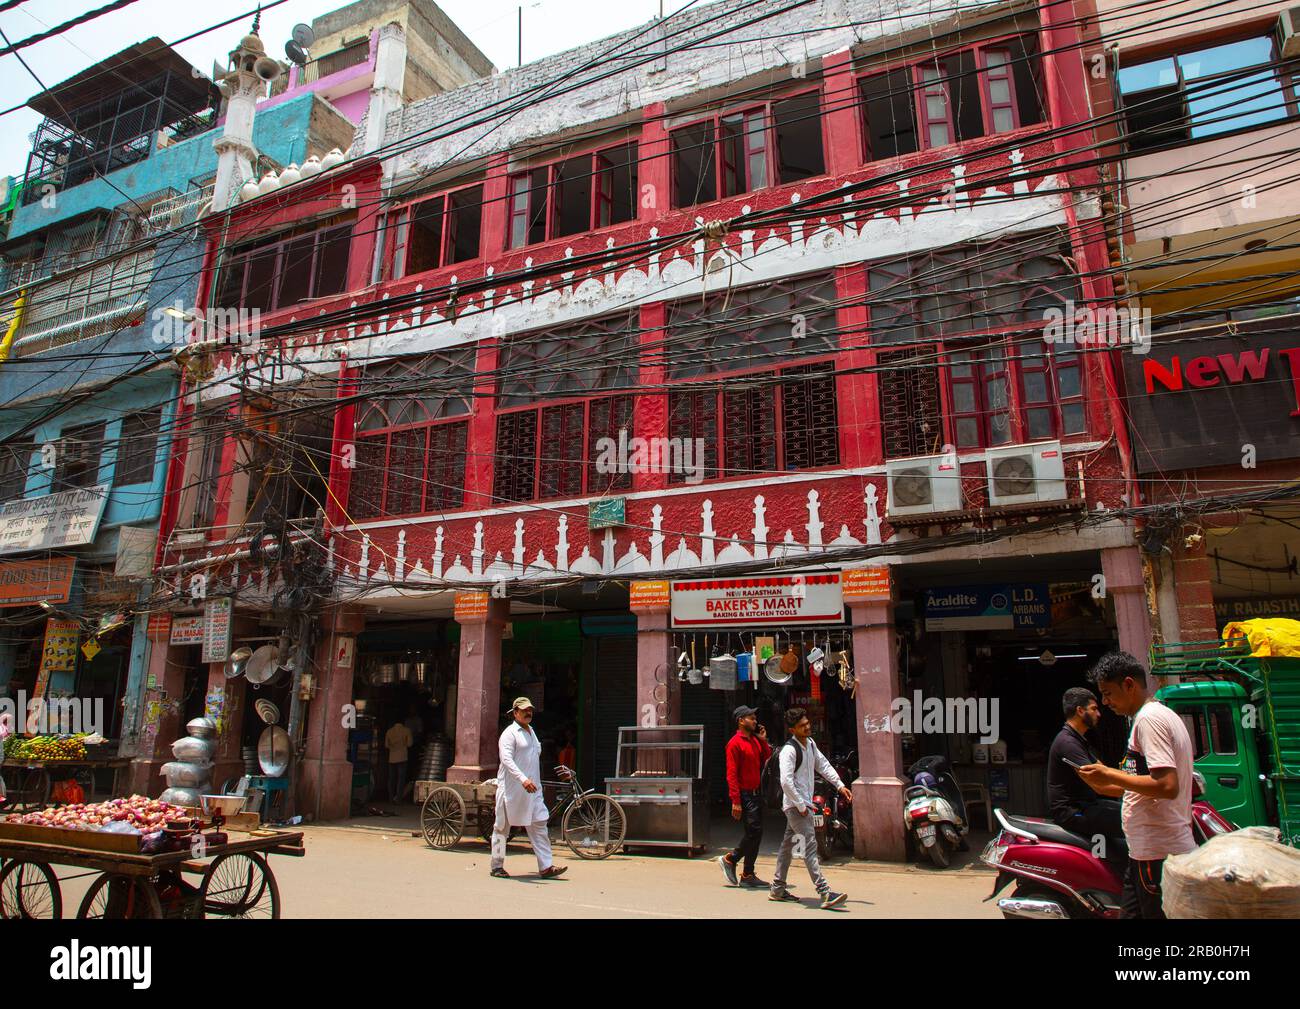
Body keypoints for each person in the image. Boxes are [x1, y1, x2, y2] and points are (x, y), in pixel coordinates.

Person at [1077, 651, 1196, 919]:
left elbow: (1166, 785)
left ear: (1129, 684)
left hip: (1158, 852)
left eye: (1108, 693)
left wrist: (1109, 773)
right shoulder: (1152, 716)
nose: (1105, 702)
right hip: (1145, 852)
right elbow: (1143, 784)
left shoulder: (1149, 720)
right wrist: (1103, 785)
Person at [770, 707, 851, 909]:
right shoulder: (789, 751)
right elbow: (786, 782)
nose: (807, 728)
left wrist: (840, 785)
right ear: (792, 730)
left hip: (802, 805)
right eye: (802, 726)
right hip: (796, 807)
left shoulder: (811, 745)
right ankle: (824, 892)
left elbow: (823, 765)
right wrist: (800, 804)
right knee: (809, 847)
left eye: (807, 724)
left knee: (787, 847)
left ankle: (777, 888)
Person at [490, 697, 568, 880]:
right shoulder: (509, 734)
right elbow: (506, 760)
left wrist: (531, 781)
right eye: (524, 710)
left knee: (539, 824)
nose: (528, 713)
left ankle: (546, 866)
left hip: (533, 789)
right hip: (512, 790)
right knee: (501, 828)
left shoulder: (531, 731)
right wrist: (523, 779)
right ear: (515, 712)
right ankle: (496, 866)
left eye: (530, 710)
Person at [1048, 687, 1125, 864]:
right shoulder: (1068, 743)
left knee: (1126, 811)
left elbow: (1103, 769)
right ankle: (1134, 879)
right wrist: (1140, 789)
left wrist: (1133, 779)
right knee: (1133, 821)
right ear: (1080, 711)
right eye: (1094, 708)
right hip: (1072, 811)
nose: (1099, 714)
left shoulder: (1078, 739)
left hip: (1088, 805)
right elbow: (1100, 785)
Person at [718, 705, 772, 887]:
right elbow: (731, 774)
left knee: (755, 833)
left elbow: (767, 757)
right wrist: (736, 801)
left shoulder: (754, 740)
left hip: (757, 793)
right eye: (751, 718)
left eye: (755, 718)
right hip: (745, 795)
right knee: (754, 832)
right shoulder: (735, 743)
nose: (755, 721)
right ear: (741, 721)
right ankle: (731, 859)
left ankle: (748, 874)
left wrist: (763, 740)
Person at [384, 719, 414, 804]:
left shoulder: (389, 731)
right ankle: (398, 799)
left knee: (391, 778)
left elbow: (386, 745)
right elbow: (410, 744)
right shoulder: (407, 730)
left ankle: (390, 798)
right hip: (402, 757)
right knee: (401, 779)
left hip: (392, 757)